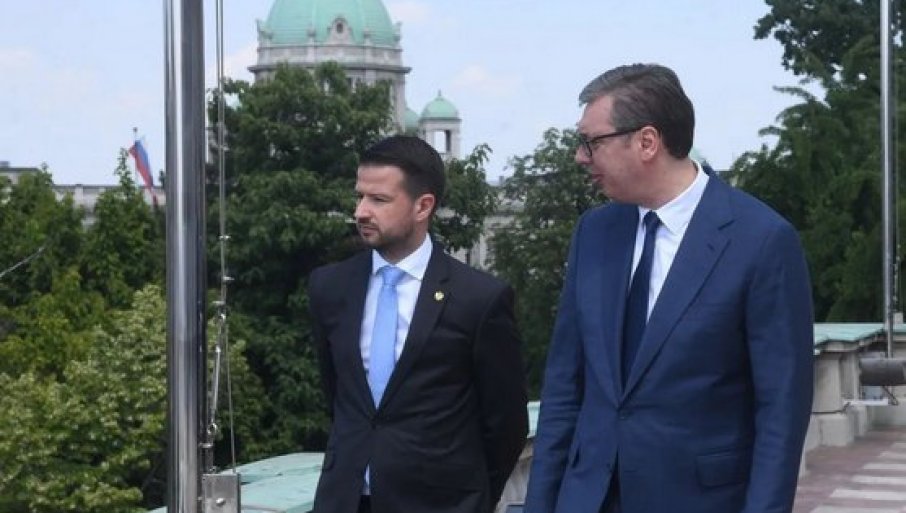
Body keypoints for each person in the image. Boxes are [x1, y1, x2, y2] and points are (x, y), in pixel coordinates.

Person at [524, 64, 814, 513]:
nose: (581, 157)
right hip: (586, 499)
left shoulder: (761, 240)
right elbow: (565, 387)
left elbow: (782, 409)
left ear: (646, 142)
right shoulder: (594, 232)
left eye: (591, 142)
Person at [308, 135, 529, 513]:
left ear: (423, 205)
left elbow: (506, 423)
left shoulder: (478, 299)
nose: (361, 211)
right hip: (344, 499)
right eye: (360, 196)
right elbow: (339, 397)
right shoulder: (330, 286)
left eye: (379, 200)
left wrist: (471, 501)